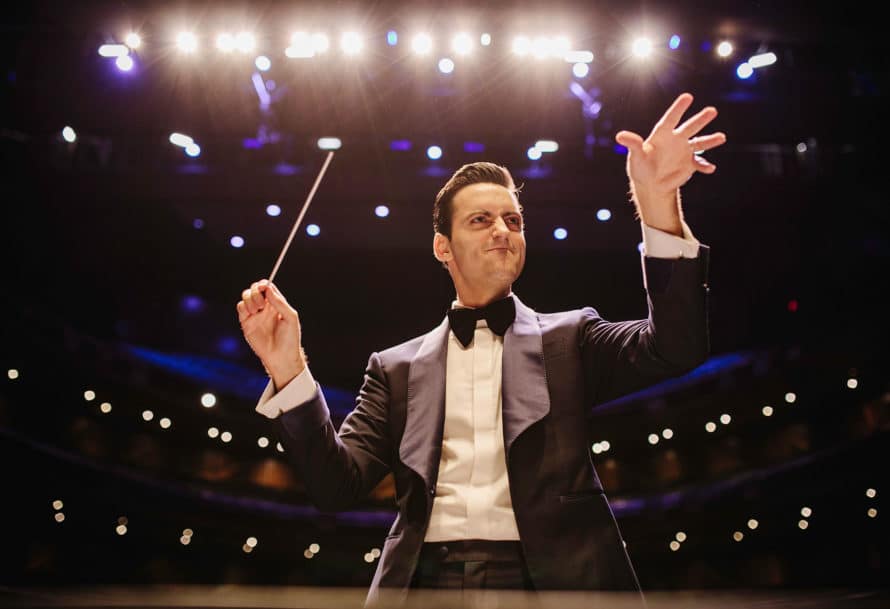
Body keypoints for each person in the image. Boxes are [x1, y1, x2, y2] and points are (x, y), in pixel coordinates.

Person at [237, 92, 725, 607]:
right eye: (480, 220)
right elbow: (335, 487)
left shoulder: (572, 337)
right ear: (441, 247)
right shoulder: (393, 368)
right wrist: (288, 367)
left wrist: (656, 203)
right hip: (425, 585)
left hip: (553, 584)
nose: (502, 231)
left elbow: (677, 348)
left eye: (512, 221)